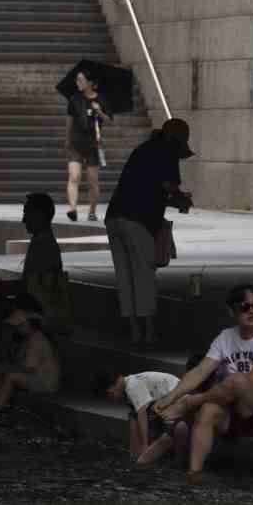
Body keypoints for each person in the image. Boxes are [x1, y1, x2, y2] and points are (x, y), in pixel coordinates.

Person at [150, 284, 253, 471]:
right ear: (231, 310)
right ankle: (194, 476)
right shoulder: (225, 337)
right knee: (208, 410)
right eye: (244, 307)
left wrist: (189, 402)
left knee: (238, 380)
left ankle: (189, 404)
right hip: (234, 409)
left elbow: (250, 383)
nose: (252, 311)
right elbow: (201, 370)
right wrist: (171, 397)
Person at [104, 118, 194, 346]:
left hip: (115, 217)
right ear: (178, 140)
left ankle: (134, 330)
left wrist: (173, 200)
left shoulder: (143, 149)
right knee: (143, 276)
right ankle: (148, 332)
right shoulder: (167, 151)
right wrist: (183, 200)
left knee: (125, 276)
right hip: (138, 221)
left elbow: (148, 188)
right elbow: (169, 187)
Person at [0, 192, 65, 375]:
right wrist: (0, 285)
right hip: (34, 301)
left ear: (40, 215)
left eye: (27, 214)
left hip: (41, 309)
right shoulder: (41, 242)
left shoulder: (44, 246)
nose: (24, 220)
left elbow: (30, 289)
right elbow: (30, 284)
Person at [0, 295, 59, 421]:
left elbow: (29, 368)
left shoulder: (36, 340)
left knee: (10, 376)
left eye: (20, 325)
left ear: (29, 324)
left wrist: (7, 367)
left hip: (45, 381)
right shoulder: (27, 338)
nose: (17, 329)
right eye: (17, 326)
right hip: (35, 374)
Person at [101, 366, 182, 459]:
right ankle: (135, 452)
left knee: (138, 415)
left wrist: (145, 443)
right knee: (133, 414)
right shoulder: (132, 382)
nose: (114, 398)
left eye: (112, 393)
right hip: (167, 397)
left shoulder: (132, 386)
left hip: (176, 396)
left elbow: (141, 414)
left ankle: (144, 451)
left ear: (118, 380)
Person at [65, 70, 111, 223]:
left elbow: (109, 120)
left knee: (92, 181)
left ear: (90, 83)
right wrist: (67, 139)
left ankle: (92, 211)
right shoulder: (74, 99)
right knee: (74, 176)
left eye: (80, 80)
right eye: (77, 80)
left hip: (93, 145)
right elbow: (69, 122)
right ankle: (72, 209)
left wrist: (99, 111)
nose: (77, 82)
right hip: (76, 143)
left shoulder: (102, 99)